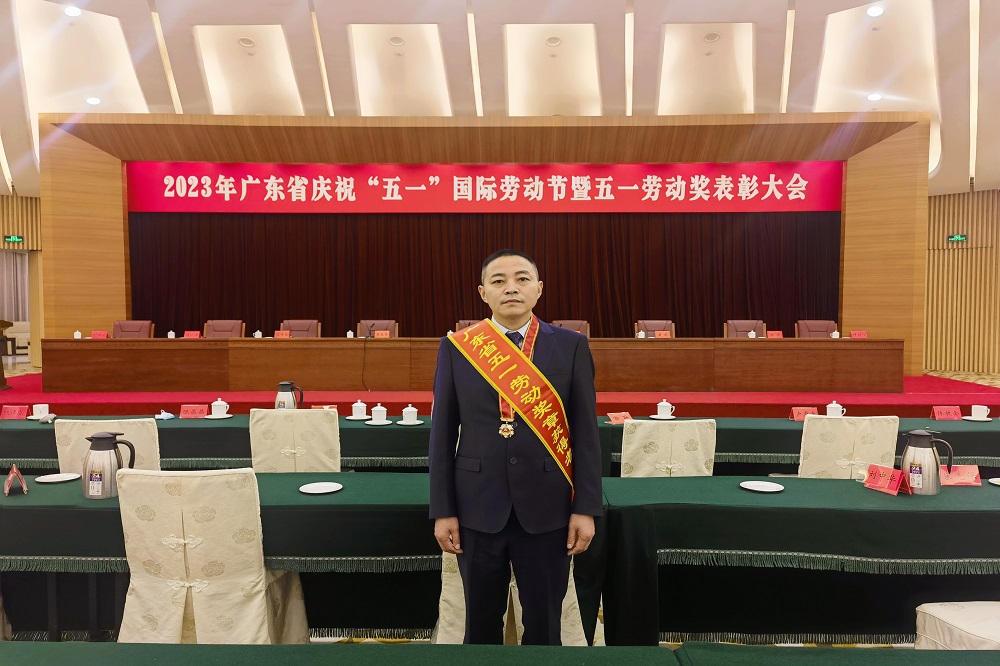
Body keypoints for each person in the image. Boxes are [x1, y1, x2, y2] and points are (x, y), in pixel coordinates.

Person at [428, 249, 603, 645]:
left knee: (544, 627)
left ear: (539, 289)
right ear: (483, 292)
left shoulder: (571, 346)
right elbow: (441, 436)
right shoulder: (457, 347)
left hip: (549, 508)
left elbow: (586, 435)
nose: (511, 288)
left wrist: (586, 508)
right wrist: (443, 510)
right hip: (475, 508)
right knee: (480, 628)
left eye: (522, 279)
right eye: (499, 281)